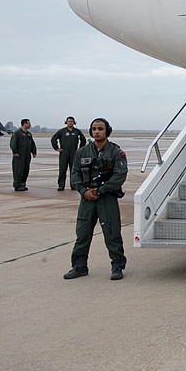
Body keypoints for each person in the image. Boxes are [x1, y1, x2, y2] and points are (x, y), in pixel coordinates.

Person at [63, 118, 128, 281]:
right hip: (87, 199)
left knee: (112, 233)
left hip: (107, 198)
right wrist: (84, 191)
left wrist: (101, 190)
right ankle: (79, 266)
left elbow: (120, 175)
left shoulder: (115, 152)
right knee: (82, 233)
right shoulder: (83, 152)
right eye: (94, 129)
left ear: (107, 131)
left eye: (100, 128)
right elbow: (75, 174)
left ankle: (117, 266)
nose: (97, 131)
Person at [51, 116, 87, 191]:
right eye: (69, 121)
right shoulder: (62, 131)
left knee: (73, 170)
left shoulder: (77, 131)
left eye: (71, 121)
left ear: (74, 122)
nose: (70, 123)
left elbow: (83, 140)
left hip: (74, 154)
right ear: (66, 122)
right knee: (62, 170)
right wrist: (57, 148)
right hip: (64, 153)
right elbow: (53, 139)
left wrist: (80, 149)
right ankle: (61, 185)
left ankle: (73, 185)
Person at [10, 118, 37, 191]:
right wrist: (15, 152)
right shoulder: (17, 133)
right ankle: (17, 185)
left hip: (27, 155)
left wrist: (34, 151)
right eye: (29, 123)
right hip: (19, 155)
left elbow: (32, 143)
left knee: (25, 170)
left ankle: (23, 184)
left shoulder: (28, 134)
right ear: (24, 124)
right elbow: (13, 143)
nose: (30, 125)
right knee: (18, 170)